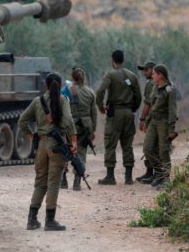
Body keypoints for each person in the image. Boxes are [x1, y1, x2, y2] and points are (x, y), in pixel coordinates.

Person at [18, 72, 77, 231]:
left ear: (46, 85)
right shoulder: (62, 100)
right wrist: (73, 140)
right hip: (56, 146)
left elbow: (22, 120)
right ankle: (50, 221)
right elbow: (69, 120)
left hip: (42, 146)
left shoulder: (38, 101)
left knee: (40, 183)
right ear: (59, 85)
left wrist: (32, 135)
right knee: (53, 183)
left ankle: (32, 220)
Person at [96, 50, 142, 185]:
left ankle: (110, 177)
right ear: (123, 59)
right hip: (128, 113)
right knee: (127, 145)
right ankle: (128, 178)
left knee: (111, 143)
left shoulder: (110, 74)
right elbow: (138, 96)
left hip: (114, 113)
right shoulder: (132, 76)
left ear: (112, 60)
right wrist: (132, 108)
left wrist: (100, 106)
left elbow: (100, 91)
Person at [61, 68, 97, 190]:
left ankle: (63, 180)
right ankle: (77, 181)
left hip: (69, 125)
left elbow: (61, 109)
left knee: (66, 151)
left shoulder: (66, 90)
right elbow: (94, 114)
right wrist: (92, 130)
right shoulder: (90, 92)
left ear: (72, 78)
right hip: (85, 127)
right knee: (81, 153)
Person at [143, 64, 178, 188]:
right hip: (153, 121)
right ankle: (159, 172)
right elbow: (152, 105)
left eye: (154, 74)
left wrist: (172, 129)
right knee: (147, 148)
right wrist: (146, 121)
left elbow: (172, 110)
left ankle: (166, 178)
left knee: (163, 151)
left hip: (164, 122)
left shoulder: (169, 89)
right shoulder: (155, 87)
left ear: (161, 75)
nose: (152, 76)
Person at [136, 61, 156, 183]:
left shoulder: (150, 84)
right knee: (150, 145)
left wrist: (142, 119)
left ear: (153, 70)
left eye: (147, 70)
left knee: (150, 146)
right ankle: (150, 173)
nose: (144, 72)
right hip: (154, 119)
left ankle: (154, 173)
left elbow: (148, 104)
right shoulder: (155, 83)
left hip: (152, 119)